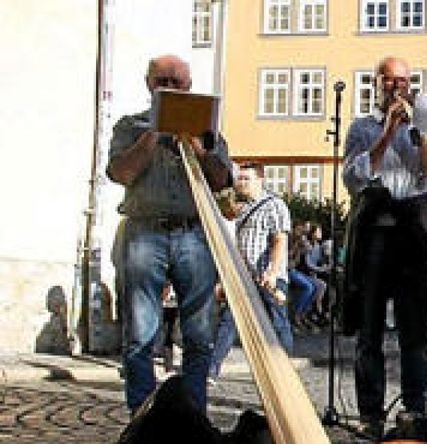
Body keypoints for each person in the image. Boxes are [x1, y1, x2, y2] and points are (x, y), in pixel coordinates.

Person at [107, 54, 233, 413]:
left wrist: (198, 148)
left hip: (192, 234)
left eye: (178, 83)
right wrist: (153, 135)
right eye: (164, 81)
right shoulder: (130, 127)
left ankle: (193, 414)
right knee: (141, 334)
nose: (171, 88)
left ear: (190, 87)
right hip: (144, 233)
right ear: (150, 84)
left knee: (198, 335)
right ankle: (143, 414)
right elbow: (122, 174)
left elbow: (223, 181)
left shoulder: (207, 132)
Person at [342, 56, 427, 439]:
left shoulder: (424, 126)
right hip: (375, 230)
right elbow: (353, 178)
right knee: (369, 328)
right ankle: (370, 413)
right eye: (390, 80)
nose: (397, 87)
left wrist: (419, 134)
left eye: (404, 80)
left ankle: (415, 411)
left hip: (411, 231)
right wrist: (387, 133)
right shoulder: (360, 127)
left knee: (414, 330)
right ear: (377, 84)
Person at [210, 163, 294, 380]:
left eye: (246, 179)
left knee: (278, 322)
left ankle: (285, 372)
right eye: (240, 179)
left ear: (260, 180)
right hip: (244, 278)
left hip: (268, 276)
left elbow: (279, 239)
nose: (241, 183)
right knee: (229, 321)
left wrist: (273, 272)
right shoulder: (242, 209)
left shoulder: (274, 205)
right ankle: (211, 369)